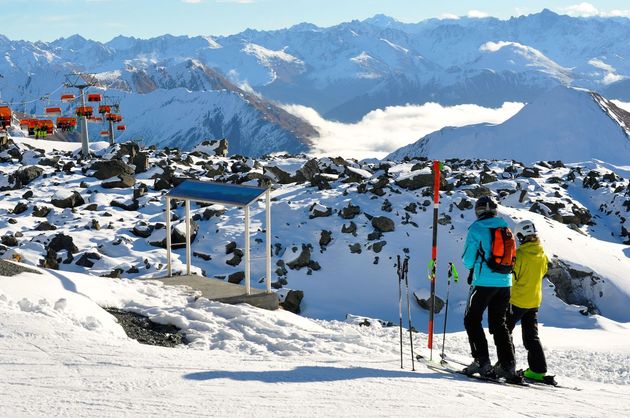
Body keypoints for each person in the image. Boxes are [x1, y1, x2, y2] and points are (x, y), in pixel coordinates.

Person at [461, 195, 522, 383]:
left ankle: (481, 361)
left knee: (472, 320)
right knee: (499, 323)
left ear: (478, 211)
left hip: (484, 282)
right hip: (505, 283)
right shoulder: (505, 228)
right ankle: (507, 365)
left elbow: (468, 260)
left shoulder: (477, 228)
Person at [507, 220, 555, 384]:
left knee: (504, 331)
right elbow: (542, 273)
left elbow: (512, 279)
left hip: (517, 300)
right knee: (531, 336)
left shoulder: (519, 255)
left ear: (521, 236)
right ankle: (537, 370)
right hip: (534, 301)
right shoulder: (542, 255)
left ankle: (507, 365)